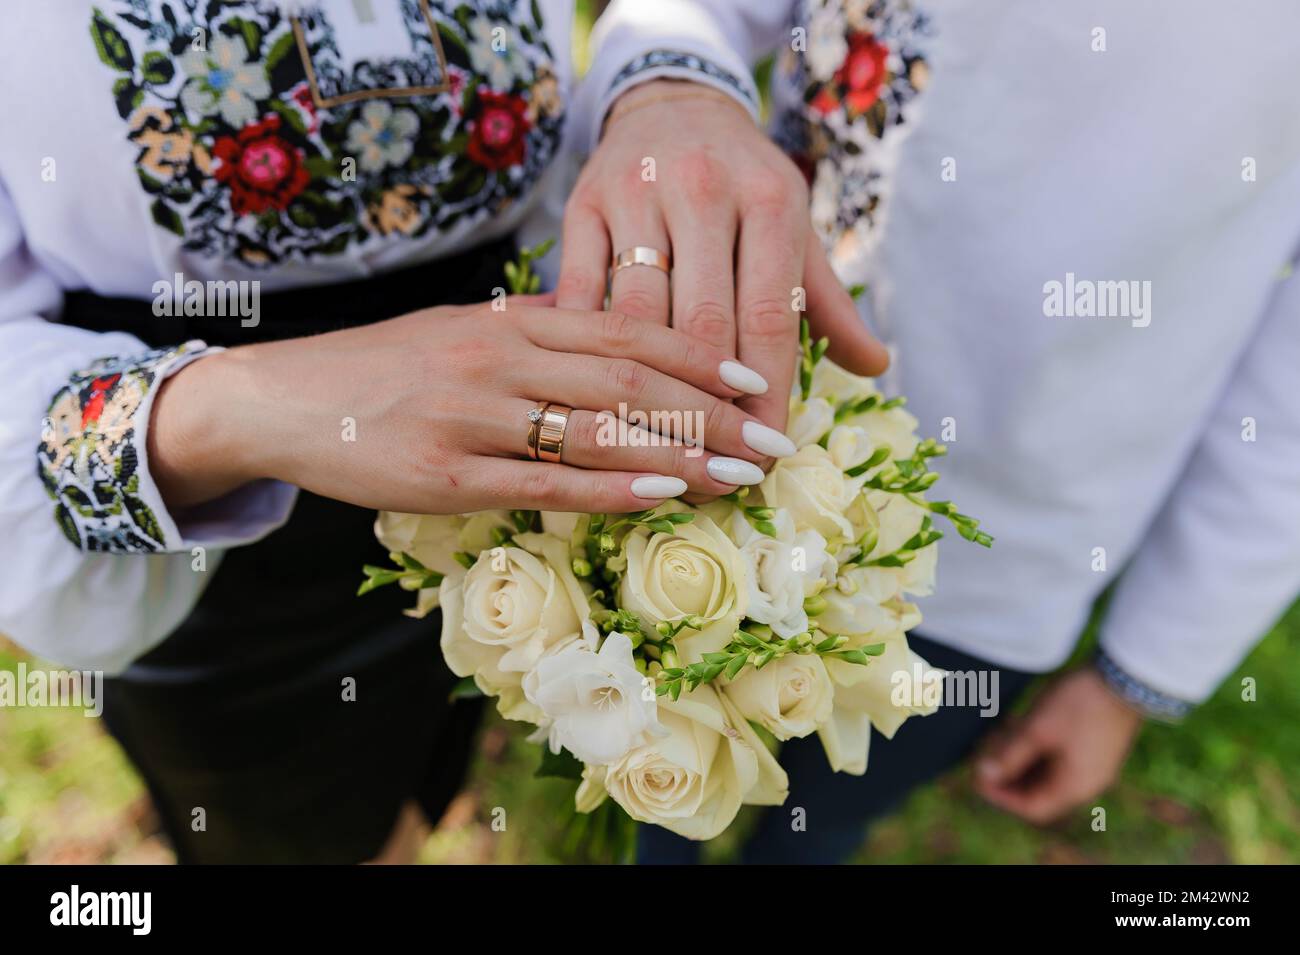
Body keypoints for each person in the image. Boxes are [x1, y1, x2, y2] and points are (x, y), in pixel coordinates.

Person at [0, 0, 885, 863]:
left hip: (538, 406)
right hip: (206, 508)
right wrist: (245, 405)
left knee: (444, 731)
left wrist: (668, 83)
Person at [613, 0, 1300, 863]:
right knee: (650, 781)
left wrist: (1144, 671)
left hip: (996, 563)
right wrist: (670, 91)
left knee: (823, 818)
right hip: (720, 427)